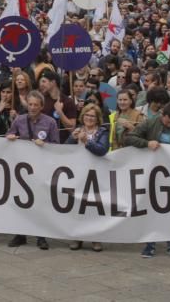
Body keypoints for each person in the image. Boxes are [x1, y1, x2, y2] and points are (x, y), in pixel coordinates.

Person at [126, 102, 170, 259]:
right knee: (152, 208)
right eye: (168, 121)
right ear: (163, 115)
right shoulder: (150, 123)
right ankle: (150, 244)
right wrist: (146, 143)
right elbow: (130, 138)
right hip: (152, 173)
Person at [6, 90, 58, 250]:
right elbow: (9, 135)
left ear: (42, 106)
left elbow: (57, 146)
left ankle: (41, 236)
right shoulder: (19, 120)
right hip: (22, 168)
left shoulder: (50, 123)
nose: (33, 107)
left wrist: (46, 145)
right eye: (30, 104)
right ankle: (20, 234)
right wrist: (10, 137)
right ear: (27, 105)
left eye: (36, 105)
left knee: (40, 202)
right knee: (21, 201)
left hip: (41, 167)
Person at [66, 103, 109, 252]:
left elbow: (102, 150)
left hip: (95, 173)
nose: (89, 118)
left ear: (97, 119)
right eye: (87, 115)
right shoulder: (78, 130)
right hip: (78, 173)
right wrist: (72, 138)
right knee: (78, 205)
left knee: (94, 206)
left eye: (92, 116)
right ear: (82, 116)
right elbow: (65, 149)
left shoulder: (102, 132)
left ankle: (95, 238)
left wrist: (87, 142)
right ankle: (77, 237)